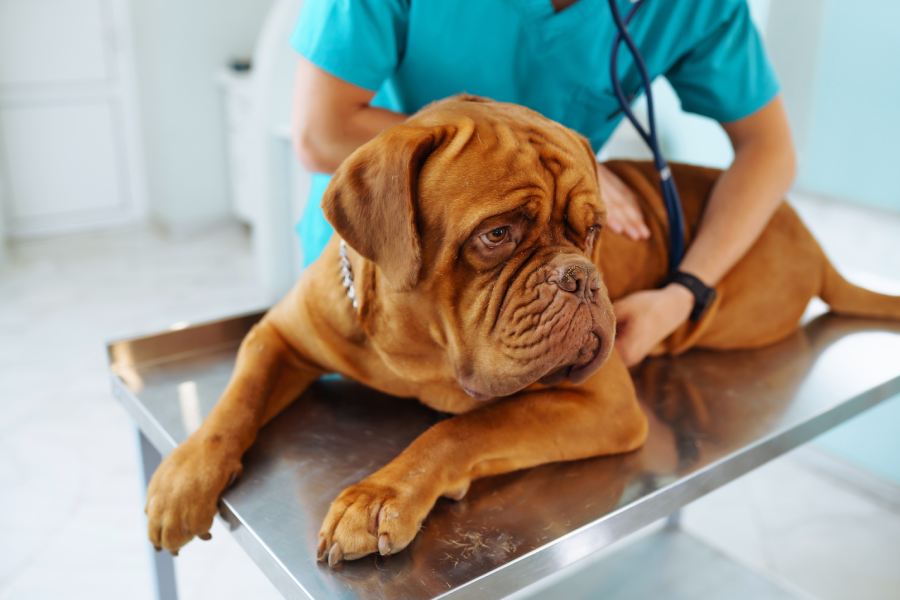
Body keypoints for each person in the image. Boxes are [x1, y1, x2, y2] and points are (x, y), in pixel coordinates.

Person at [288, 0, 796, 366]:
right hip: (384, 257)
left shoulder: (697, 7)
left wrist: (685, 293)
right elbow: (322, 131)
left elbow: (769, 150)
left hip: (535, 304)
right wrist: (536, 164)